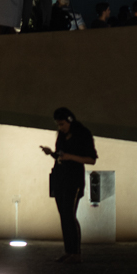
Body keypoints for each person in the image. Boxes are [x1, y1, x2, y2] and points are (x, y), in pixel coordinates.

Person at [40, 108, 98, 264]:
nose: (60, 128)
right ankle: (69, 251)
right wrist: (52, 153)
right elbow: (61, 155)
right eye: (58, 125)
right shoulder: (62, 135)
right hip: (60, 178)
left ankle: (76, 252)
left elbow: (91, 159)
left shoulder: (83, 134)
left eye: (62, 124)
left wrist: (69, 157)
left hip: (74, 180)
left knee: (69, 215)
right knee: (64, 216)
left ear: (70, 120)